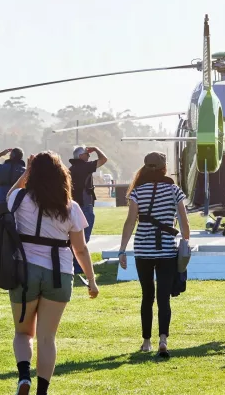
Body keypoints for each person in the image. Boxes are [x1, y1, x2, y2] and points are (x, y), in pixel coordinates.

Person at [5, 151, 99, 395]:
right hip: (59, 274)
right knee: (47, 338)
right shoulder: (71, 207)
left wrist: (26, 173)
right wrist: (91, 280)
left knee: (23, 333)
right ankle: (42, 392)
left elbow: (7, 195)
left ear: (32, 174)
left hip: (24, 270)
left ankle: (24, 376)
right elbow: (80, 248)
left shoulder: (19, 198)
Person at [118, 152, 190, 358]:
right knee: (164, 297)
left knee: (147, 296)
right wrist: (185, 241)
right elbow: (184, 222)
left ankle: (146, 341)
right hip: (167, 249)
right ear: (164, 168)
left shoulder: (137, 191)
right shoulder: (174, 190)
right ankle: (163, 339)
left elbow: (130, 222)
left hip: (143, 249)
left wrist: (123, 250)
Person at [68, 145, 108, 282]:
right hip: (85, 206)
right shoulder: (84, 166)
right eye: (87, 154)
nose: (89, 156)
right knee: (83, 237)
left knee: (73, 236)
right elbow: (104, 159)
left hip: (74, 205)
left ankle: (73, 263)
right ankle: (78, 265)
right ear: (80, 156)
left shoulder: (71, 169)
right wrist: (96, 148)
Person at [0, 147, 27, 215]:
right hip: (18, 201)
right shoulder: (24, 171)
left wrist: (1, 154)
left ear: (10, 156)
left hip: (2, 200)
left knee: (3, 222)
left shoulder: (2, 168)